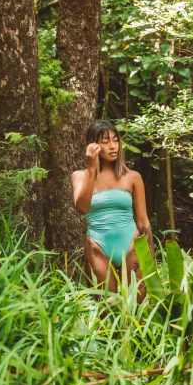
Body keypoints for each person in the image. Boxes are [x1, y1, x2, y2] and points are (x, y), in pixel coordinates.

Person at [71, 120, 154, 296]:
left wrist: (150, 258)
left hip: (132, 244)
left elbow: (143, 220)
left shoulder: (132, 177)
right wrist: (91, 169)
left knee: (135, 310)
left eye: (115, 140)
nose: (112, 146)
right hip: (97, 246)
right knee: (106, 310)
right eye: (105, 141)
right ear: (93, 145)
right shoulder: (79, 177)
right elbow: (82, 208)